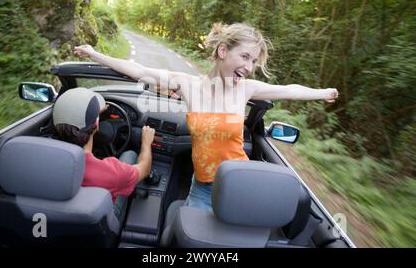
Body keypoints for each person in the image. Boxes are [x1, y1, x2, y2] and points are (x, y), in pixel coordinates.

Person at [73, 22, 338, 211]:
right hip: (202, 186)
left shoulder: (247, 90)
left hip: (240, 182)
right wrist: (95, 54)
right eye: (244, 56)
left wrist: (322, 92)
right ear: (223, 51)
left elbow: (289, 90)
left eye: (253, 61)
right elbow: (138, 71)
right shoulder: (188, 85)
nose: (248, 66)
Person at [52, 87, 155, 221]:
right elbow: (145, 168)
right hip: (101, 221)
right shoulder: (112, 171)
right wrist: (146, 143)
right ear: (96, 124)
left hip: (62, 218)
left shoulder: (46, 159)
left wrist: (94, 115)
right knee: (129, 154)